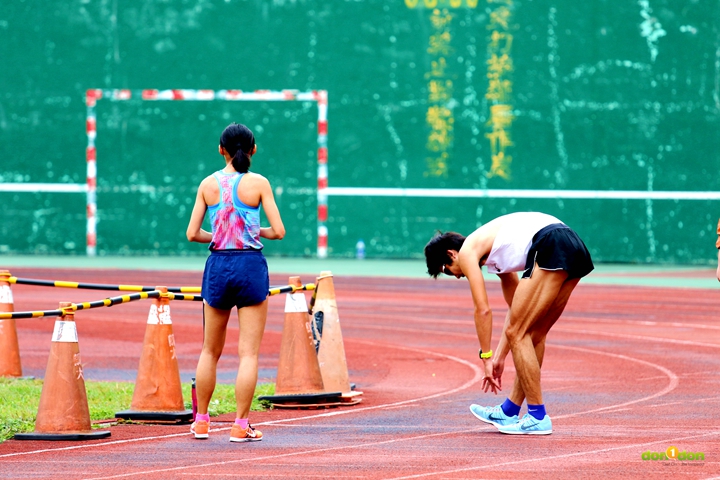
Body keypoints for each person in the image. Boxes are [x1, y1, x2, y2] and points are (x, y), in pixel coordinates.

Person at [424, 212, 593, 435]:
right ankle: (510, 411)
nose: (454, 276)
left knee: (519, 333)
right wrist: (500, 356)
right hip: (572, 244)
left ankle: (537, 416)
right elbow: (516, 309)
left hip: (551, 243)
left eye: (446, 270)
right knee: (533, 333)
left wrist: (486, 358)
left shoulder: (467, 253)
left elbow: (482, 310)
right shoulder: (494, 253)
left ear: (451, 254)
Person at [186, 123, 285, 442]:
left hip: (218, 266)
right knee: (248, 354)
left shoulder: (207, 184)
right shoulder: (259, 183)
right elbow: (278, 230)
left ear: (221, 149)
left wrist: (220, 235)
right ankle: (240, 426)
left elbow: (192, 234)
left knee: (209, 350)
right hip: (250, 266)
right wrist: (253, 232)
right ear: (253, 150)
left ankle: (201, 421)